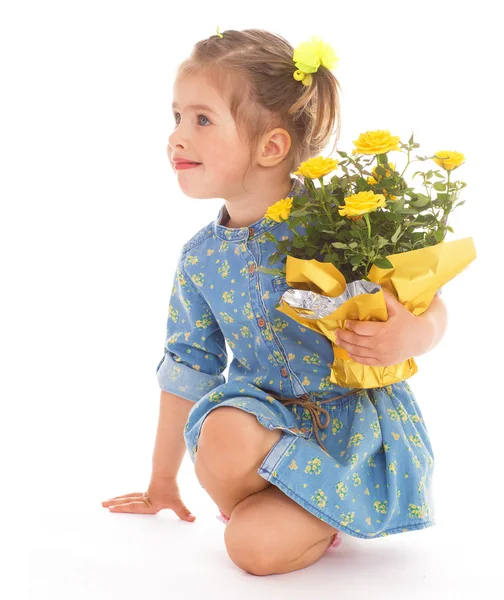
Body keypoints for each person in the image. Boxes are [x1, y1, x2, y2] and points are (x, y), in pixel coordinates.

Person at [102, 28, 448, 576]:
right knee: (221, 427)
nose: (177, 138)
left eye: (202, 119)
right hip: (264, 428)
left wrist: (415, 334)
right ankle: (285, 504)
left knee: (252, 551)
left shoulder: (337, 224)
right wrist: (162, 481)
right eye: (175, 118)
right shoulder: (200, 258)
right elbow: (187, 370)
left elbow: (426, 302)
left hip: (349, 437)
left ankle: (323, 509)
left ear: (271, 146)